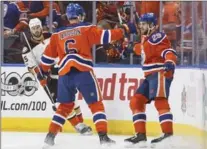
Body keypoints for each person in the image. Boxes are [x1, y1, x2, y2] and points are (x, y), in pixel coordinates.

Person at [38, 3, 127, 148]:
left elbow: (46, 60)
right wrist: (122, 31)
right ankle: (103, 137)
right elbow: (106, 36)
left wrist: (43, 71)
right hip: (83, 71)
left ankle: (50, 137)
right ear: (79, 16)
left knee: (64, 107)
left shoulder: (56, 35)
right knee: (95, 104)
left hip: (64, 75)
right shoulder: (86, 29)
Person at [22, 18, 93, 136]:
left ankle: (82, 124)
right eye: (33, 28)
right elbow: (30, 67)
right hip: (48, 78)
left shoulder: (50, 36)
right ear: (30, 30)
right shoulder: (27, 47)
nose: (36, 30)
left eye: (38, 27)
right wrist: (41, 75)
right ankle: (78, 126)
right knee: (61, 103)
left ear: (41, 26)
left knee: (72, 100)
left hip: (62, 70)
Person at [124, 13, 177, 147]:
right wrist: (128, 47)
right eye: (140, 24)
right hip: (150, 75)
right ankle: (140, 136)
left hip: (160, 72)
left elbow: (168, 51)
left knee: (160, 100)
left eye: (144, 24)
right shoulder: (145, 38)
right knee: (136, 101)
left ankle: (168, 135)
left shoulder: (157, 36)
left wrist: (170, 61)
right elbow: (144, 50)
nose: (141, 26)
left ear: (152, 25)